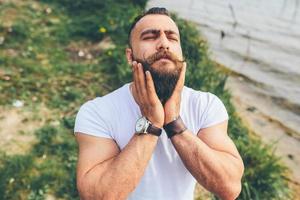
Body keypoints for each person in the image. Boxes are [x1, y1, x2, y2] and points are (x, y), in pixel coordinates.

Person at [74, 7, 244, 200]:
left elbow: (230, 187)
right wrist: (151, 123)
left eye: (172, 38)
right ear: (130, 56)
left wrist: (174, 123)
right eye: (150, 36)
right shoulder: (97, 112)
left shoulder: (205, 105)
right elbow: (97, 196)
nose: (164, 43)